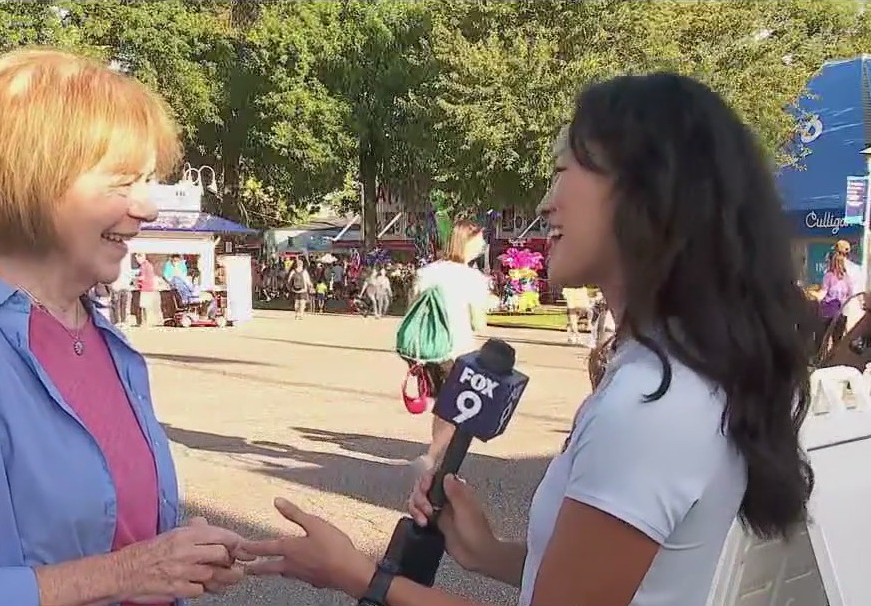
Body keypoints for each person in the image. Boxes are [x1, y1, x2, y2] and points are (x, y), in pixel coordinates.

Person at [242, 73, 814, 606]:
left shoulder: (652, 403)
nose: (545, 202)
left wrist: (357, 574)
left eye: (565, 171)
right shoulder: (670, 373)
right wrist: (486, 553)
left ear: (647, 191)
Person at [0, 48, 247, 606]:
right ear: (34, 181)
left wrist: (173, 553)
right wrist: (124, 573)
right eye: (124, 182)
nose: (149, 208)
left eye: (149, 181)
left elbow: (117, 536)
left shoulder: (112, 348)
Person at [407, 220, 490, 474]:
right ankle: (434, 460)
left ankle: (437, 460)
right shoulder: (472, 278)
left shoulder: (427, 272)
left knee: (442, 409)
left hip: (428, 350)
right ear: (468, 242)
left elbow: (413, 306)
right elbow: (479, 322)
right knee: (457, 411)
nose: (483, 246)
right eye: (480, 241)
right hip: (458, 349)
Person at [818, 250, 852, 353]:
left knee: (823, 340)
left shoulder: (828, 276)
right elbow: (850, 295)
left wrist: (814, 297)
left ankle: (821, 361)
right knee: (837, 341)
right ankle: (833, 361)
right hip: (841, 313)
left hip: (827, 313)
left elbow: (823, 293)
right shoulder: (847, 278)